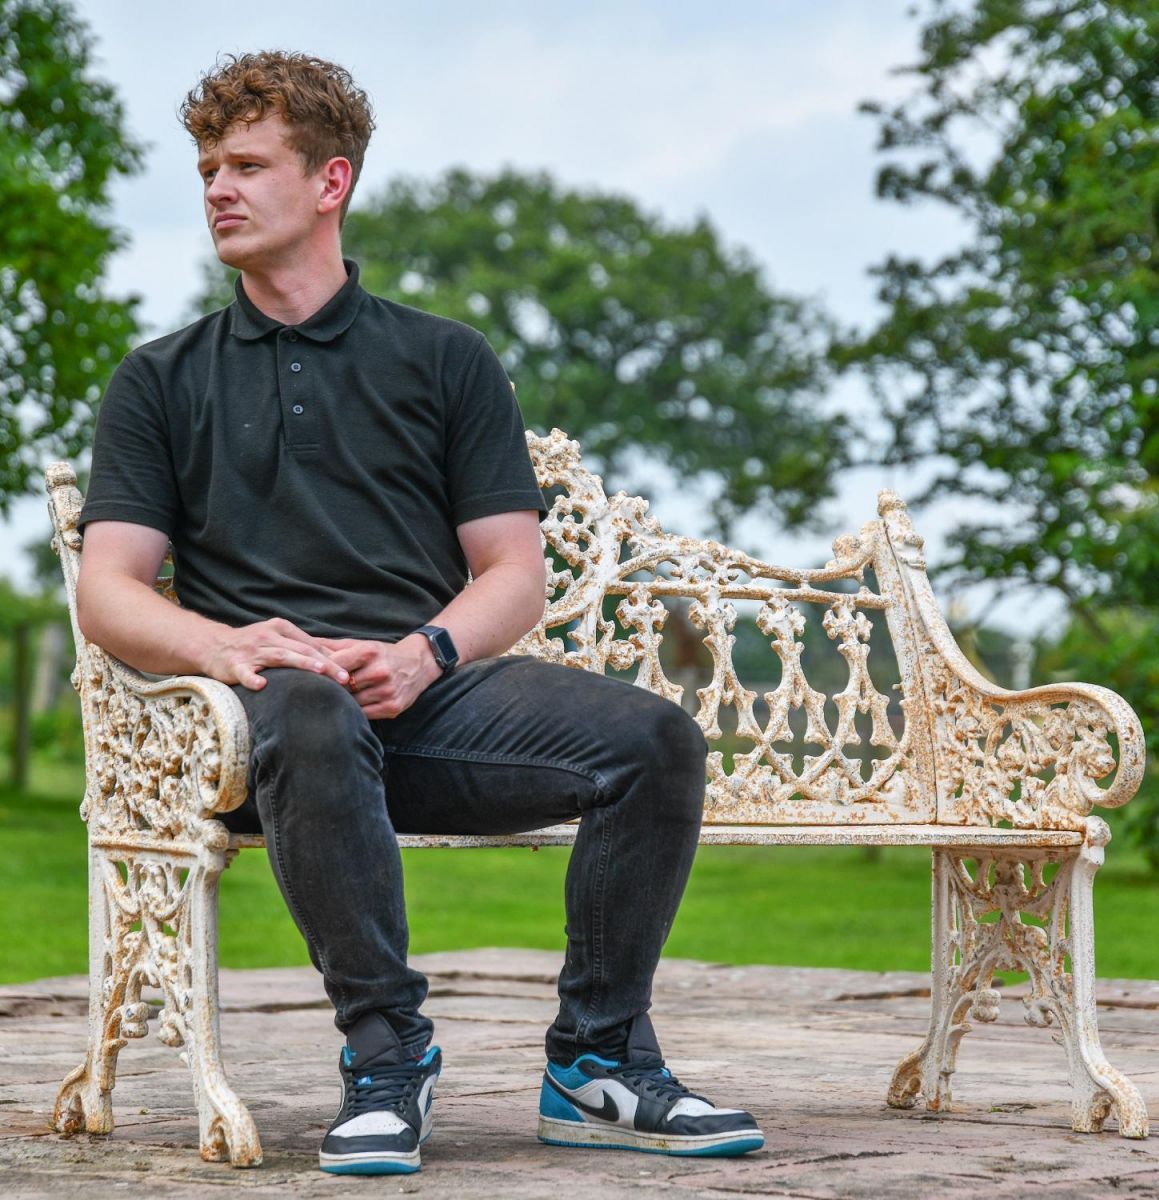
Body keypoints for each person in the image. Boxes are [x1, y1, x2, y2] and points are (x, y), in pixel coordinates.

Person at [75, 51, 764, 1176]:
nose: (217, 189)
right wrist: (226, 645)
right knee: (302, 710)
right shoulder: (162, 380)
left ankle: (596, 1059)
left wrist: (426, 652)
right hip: (260, 729)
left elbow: (513, 572)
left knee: (654, 740)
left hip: (430, 703)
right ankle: (388, 1055)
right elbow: (109, 586)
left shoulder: (445, 359)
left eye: (247, 164)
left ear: (331, 181)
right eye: (206, 168)